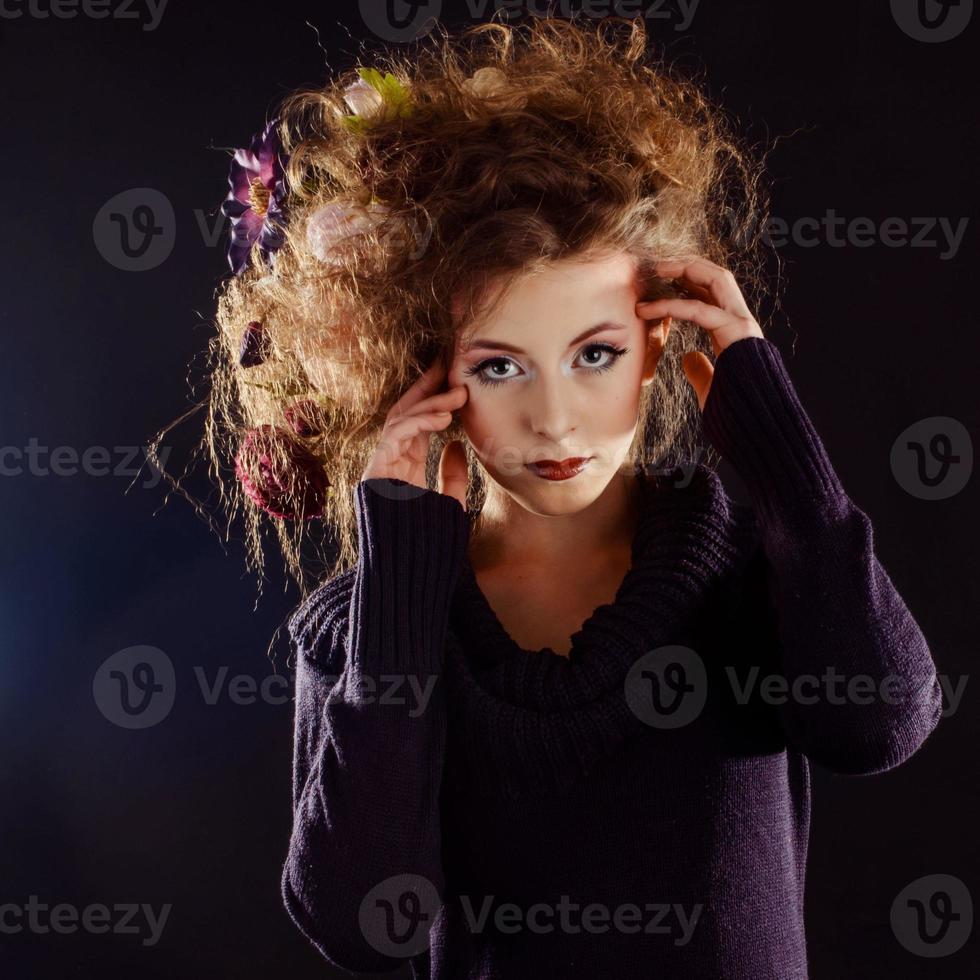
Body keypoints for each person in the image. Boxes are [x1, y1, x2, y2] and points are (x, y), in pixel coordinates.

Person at [205, 15, 942, 978]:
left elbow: (881, 722)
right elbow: (359, 921)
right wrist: (401, 591)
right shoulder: (369, 626)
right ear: (427, 380)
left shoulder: (755, 574)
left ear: (660, 346)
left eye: (594, 354)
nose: (555, 420)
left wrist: (782, 459)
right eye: (501, 365)